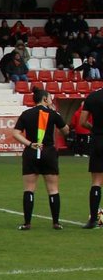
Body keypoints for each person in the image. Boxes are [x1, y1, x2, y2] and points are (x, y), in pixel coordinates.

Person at [12, 87, 70, 230]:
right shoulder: (53, 114)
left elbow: (16, 133)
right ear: (45, 99)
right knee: (53, 189)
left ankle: (27, 223)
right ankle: (56, 222)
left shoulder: (26, 114)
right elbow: (66, 131)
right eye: (50, 98)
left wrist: (30, 144)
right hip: (48, 152)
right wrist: (55, 113)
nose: (51, 100)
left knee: (29, 189)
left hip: (32, 152)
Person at [80, 85, 103, 228]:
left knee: (96, 181)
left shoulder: (92, 97)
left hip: (98, 140)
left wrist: (94, 129)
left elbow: (82, 121)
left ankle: (93, 219)